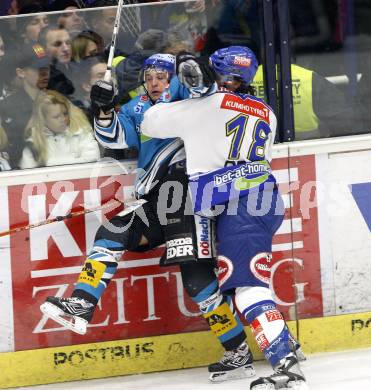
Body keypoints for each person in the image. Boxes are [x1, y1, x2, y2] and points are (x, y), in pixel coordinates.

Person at [40, 53, 255, 383]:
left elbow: (207, 96)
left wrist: (193, 72)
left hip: (188, 193)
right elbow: (115, 138)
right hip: (158, 198)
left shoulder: (187, 97)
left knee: (198, 282)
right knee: (112, 232)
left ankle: (239, 348)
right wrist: (103, 108)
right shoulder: (136, 107)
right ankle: (82, 303)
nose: (156, 83)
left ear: (174, 79)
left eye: (162, 76)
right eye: (150, 76)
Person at [141, 46, 306, 389]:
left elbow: (150, 123)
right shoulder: (266, 112)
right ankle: (288, 346)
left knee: (245, 288)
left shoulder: (203, 107)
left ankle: (286, 364)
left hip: (241, 205)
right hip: (258, 199)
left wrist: (178, 93)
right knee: (240, 282)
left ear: (219, 75)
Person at [19, 89, 100, 168]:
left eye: (65, 114)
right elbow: (27, 174)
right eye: (56, 117)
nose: (63, 119)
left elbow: (93, 160)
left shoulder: (81, 131)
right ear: (43, 120)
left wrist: (45, 164)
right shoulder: (34, 143)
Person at [0, 42, 50, 168]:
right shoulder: (6, 107)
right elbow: (9, 151)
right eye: (38, 68)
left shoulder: (58, 100)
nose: (45, 73)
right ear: (21, 72)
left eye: (47, 67)